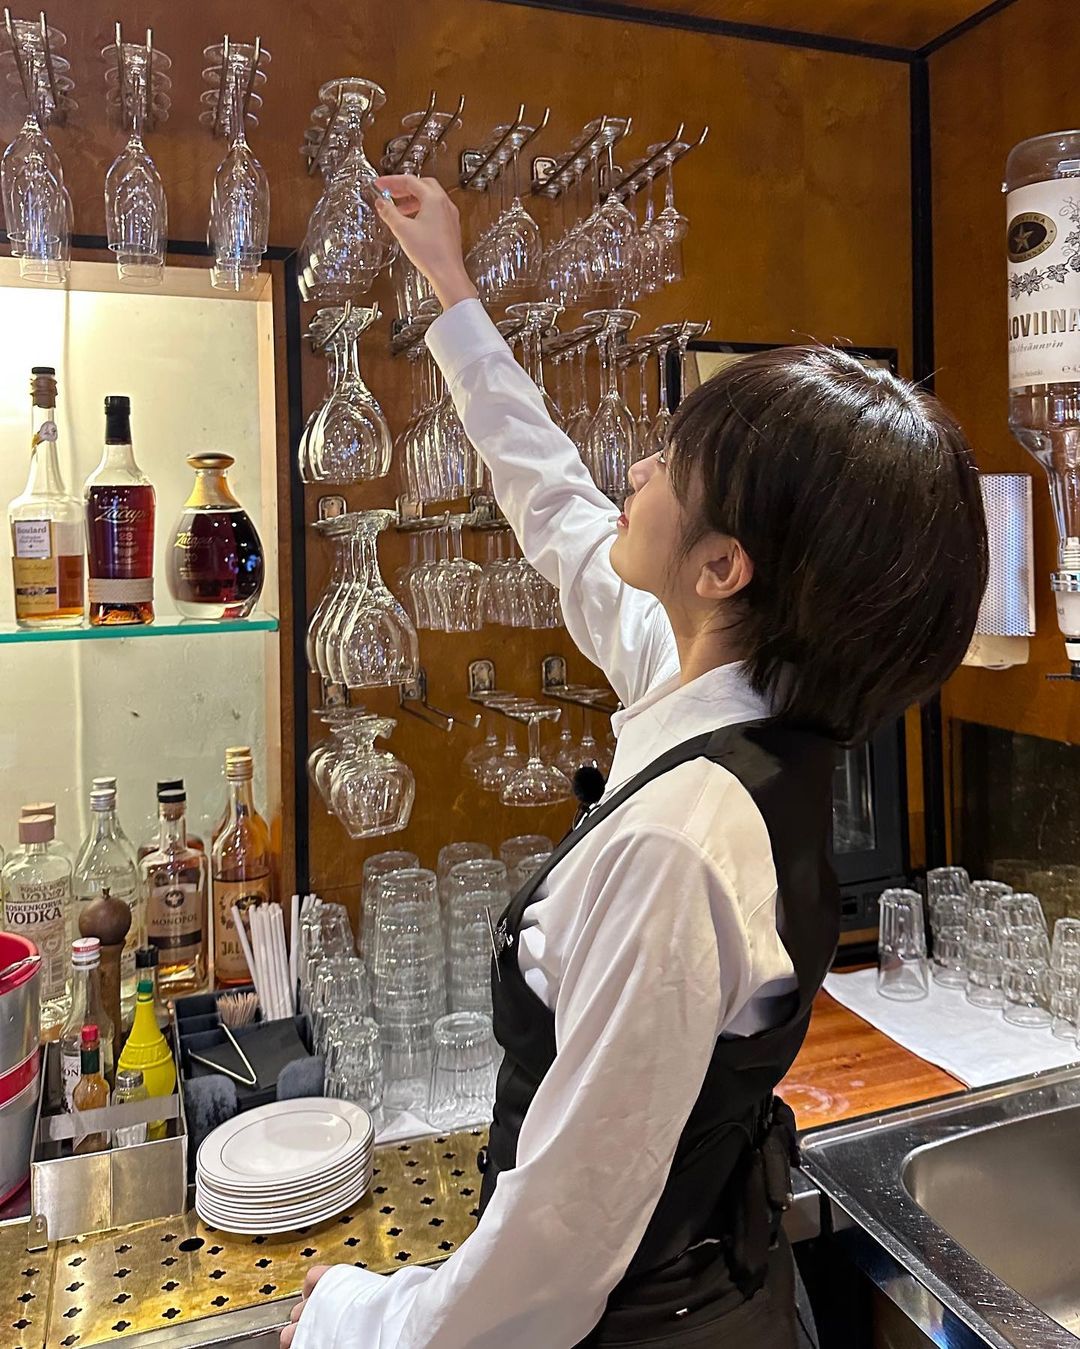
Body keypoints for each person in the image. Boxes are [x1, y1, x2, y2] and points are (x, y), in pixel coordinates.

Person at [283, 175, 988, 1349]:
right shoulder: (731, 684)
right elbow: (554, 504)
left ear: (722, 569)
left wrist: (351, 1318)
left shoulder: (681, 847)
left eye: (671, 459)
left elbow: (552, 1258)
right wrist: (452, 287)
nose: (638, 469)